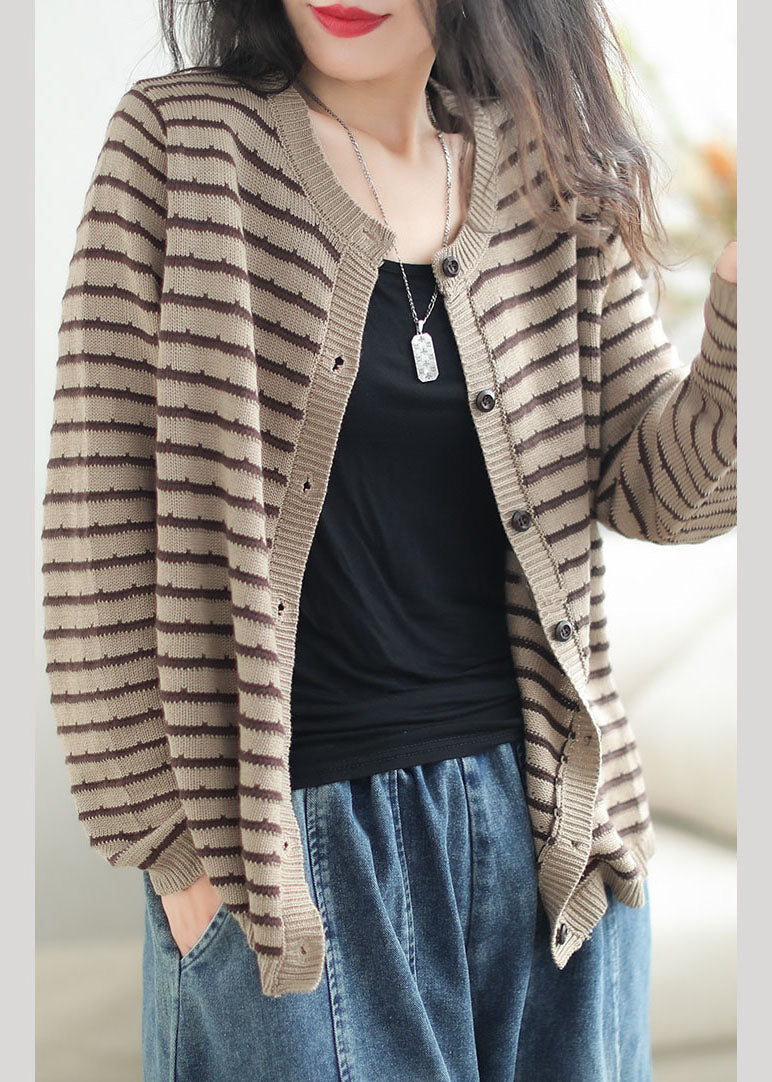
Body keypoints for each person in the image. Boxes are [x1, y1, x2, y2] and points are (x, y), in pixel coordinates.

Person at [40, 1, 737, 1080]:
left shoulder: (551, 172)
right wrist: (178, 862)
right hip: (287, 862)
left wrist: (740, 301)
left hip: (550, 835)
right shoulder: (181, 149)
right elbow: (95, 530)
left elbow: (663, 491)